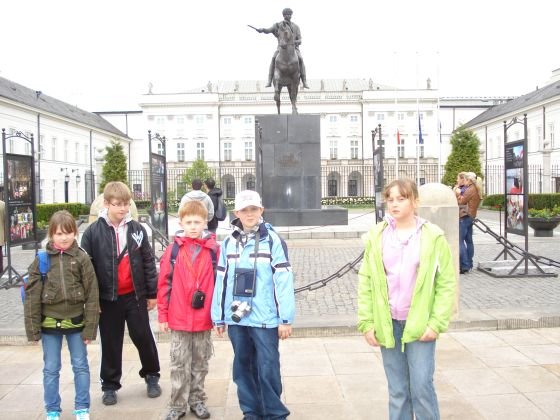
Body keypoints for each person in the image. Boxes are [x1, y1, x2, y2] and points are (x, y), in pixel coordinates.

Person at [358, 179, 456, 420]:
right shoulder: (377, 237)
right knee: (398, 390)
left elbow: (446, 283)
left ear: (415, 202)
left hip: (420, 323)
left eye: (401, 199)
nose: (394, 204)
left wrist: (436, 323)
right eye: (390, 199)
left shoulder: (433, 237)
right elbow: (366, 282)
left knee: (421, 387)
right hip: (388, 323)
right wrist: (367, 323)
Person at [211, 190, 295, 420]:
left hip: (265, 317)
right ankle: (251, 412)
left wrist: (285, 318)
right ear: (236, 213)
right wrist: (218, 316)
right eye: (244, 210)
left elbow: (283, 280)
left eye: (254, 209)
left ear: (261, 210)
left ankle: (274, 413)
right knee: (242, 367)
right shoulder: (228, 243)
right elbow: (221, 280)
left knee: (268, 367)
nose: (249, 214)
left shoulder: (273, 240)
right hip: (237, 316)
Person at [81, 181, 161, 406]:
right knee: (111, 342)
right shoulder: (92, 232)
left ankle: (152, 375)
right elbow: (87, 270)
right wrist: (92, 300)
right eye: (118, 204)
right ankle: (109, 385)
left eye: (126, 204)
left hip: (135, 296)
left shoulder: (137, 229)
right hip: (108, 299)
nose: (123, 208)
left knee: (143, 337)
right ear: (106, 204)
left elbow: (147, 261)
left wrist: (152, 293)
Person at [24, 210, 100, 420]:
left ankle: (82, 407)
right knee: (51, 368)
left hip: (76, 322)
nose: (64, 238)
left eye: (68, 233)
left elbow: (92, 294)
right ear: (51, 235)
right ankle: (52, 409)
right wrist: (33, 331)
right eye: (59, 233)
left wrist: (90, 328)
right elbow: (32, 297)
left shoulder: (82, 258)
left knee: (80, 366)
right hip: (49, 324)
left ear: (75, 233)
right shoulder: (42, 260)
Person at [158, 200, 219, 420]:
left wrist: (219, 317)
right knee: (178, 363)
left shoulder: (213, 251)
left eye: (197, 222)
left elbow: (220, 284)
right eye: (189, 222)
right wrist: (163, 315)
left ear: (205, 223)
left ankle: (197, 400)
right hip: (179, 317)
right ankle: (177, 404)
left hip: (203, 317)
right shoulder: (173, 251)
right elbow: (164, 284)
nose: (193, 226)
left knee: (200, 362)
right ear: (181, 223)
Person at [256, 7, 310, 89]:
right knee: (273, 58)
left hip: (294, 49)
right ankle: (269, 80)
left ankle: (304, 81)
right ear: (283, 15)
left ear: (291, 15)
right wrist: (262, 30)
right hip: (281, 48)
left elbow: (300, 40)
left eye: (289, 14)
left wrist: (294, 42)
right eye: (286, 14)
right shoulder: (277, 25)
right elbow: (268, 30)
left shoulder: (296, 27)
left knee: (301, 59)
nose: (288, 16)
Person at [457, 172, 482, 274]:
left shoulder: (470, 190)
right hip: (471, 216)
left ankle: (465, 265)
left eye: (466, 180)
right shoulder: (476, 189)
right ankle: (469, 263)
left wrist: (458, 194)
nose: (465, 182)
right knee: (469, 241)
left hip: (465, 216)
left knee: (460, 241)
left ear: (469, 180)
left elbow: (461, 202)